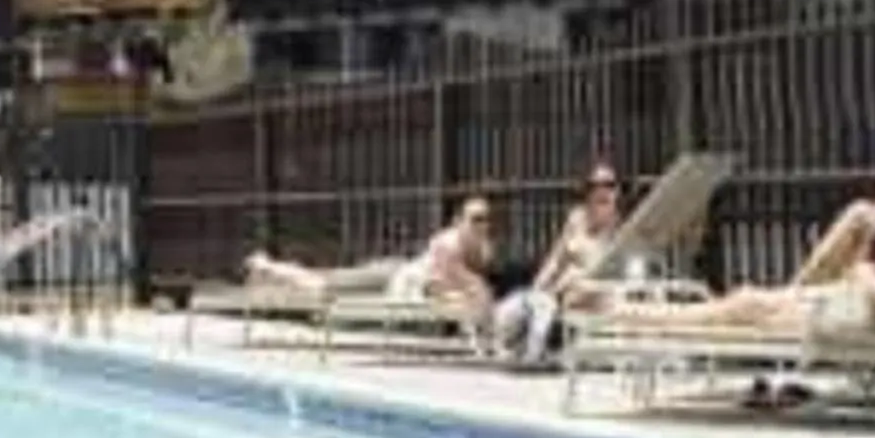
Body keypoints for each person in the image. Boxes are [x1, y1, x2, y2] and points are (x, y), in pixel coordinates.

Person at [612, 127, 875, 338]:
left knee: (747, 301)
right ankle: (792, 294)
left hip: (873, 316)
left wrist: (869, 275)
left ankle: (626, 315)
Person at [244, 196, 498, 328]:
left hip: (400, 276)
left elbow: (466, 289)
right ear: (458, 221)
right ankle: (266, 265)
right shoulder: (447, 244)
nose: (482, 224)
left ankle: (273, 271)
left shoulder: (484, 250)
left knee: (324, 282)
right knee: (323, 285)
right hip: (392, 277)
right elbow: (450, 286)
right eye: (475, 218)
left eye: (486, 218)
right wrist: (468, 293)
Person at [492, 160, 624, 362]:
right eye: (594, 186)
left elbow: (618, 272)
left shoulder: (622, 229)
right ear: (586, 191)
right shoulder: (576, 219)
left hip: (600, 293)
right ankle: (524, 345)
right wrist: (538, 286)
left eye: (609, 185)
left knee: (568, 292)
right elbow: (557, 258)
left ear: (618, 191)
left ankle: (537, 345)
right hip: (565, 293)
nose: (601, 191)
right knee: (532, 300)